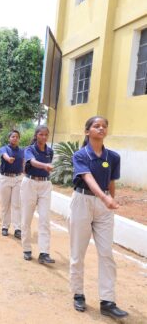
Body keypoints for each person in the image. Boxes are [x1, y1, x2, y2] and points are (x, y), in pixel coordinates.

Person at [69, 116, 128, 319]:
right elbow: (87, 177)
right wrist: (105, 198)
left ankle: (108, 301)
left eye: (104, 126)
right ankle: (78, 293)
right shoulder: (80, 155)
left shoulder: (113, 157)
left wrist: (111, 199)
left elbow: (111, 181)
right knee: (78, 252)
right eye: (96, 126)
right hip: (82, 202)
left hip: (104, 207)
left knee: (106, 253)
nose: (101, 128)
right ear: (87, 132)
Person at [20, 125, 55, 264]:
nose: (44, 137)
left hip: (45, 185)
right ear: (36, 135)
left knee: (45, 219)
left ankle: (44, 252)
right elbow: (33, 162)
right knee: (26, 218)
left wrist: (47, 168)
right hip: (30, 184)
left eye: (46, 135)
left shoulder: (50, 151)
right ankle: (27, 249)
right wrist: (45, 166)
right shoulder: (29, 149)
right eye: (41, 134)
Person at [0, 130, 24, 238]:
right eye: (13, 136)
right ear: (9, 138)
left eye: (17, 137)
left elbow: (23, 163)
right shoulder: (4, 149)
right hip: (5, 178)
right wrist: (9, 159)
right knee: (5, 204)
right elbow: (4, 155)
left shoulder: (21, 151)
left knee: (16, 204)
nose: (15, 138)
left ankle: (17, 228)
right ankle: (5, 226)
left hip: (18, 178)